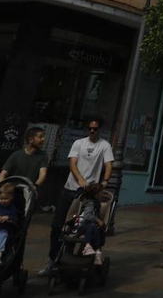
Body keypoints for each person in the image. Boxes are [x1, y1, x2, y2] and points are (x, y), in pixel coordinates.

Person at [42, 117, 114, 275]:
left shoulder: (104, 146)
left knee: (77, 226)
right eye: (89, 128)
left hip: (87, 194)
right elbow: (73, 163)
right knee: (57, 225)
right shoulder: (78, 143)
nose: (92, 131)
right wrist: (80, 178)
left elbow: (109, 165)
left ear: (99, 130)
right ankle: (53, 259)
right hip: (70, 189)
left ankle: (69, 259)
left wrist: (104, 181)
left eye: (95, 129)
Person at [0, 126, 50, 200]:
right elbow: (2, 174)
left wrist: (35, 187)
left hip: (28, 193)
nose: (43, 139)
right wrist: (3, 187)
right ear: (31, 140)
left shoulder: (43, 156)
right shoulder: (16, 155)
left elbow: (43, 174)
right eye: (40, 137)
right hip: (12, 193)